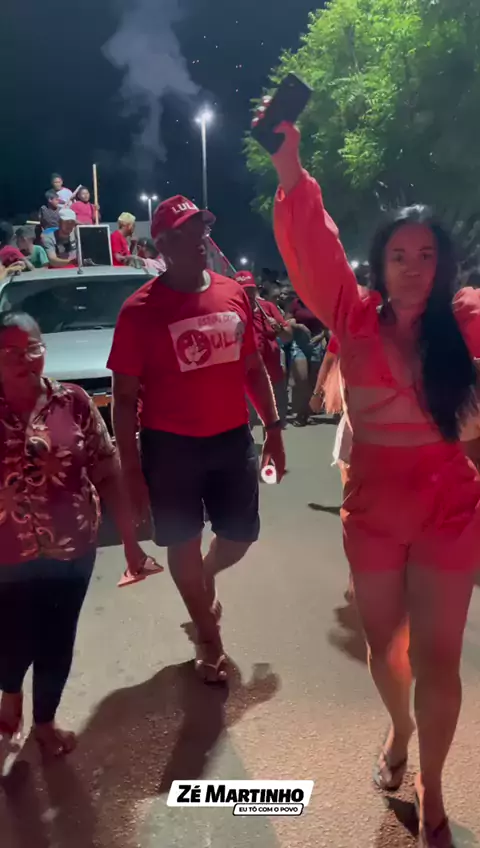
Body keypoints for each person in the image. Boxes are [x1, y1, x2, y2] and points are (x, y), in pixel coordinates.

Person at [261, 108, 480, 847]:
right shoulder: (352, 317)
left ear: (442, 264)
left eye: (426, 254)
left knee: (439, 660)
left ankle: (433, 787)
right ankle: (399, 731)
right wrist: (289, 166)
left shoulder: (466, 321)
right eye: (398, 255)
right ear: (380, 265)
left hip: (451, 508)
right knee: (387, 651)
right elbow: (314, 248)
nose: (412, 266)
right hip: (375, 509)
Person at [108, 194, 286, 684]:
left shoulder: (232, 293)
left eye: (201, 230)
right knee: (182, 542)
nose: (200, 240)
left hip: (231, 439)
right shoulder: (139, 311)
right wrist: (131, 470)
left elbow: (253, 368)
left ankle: (202, 580)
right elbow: (123, 400)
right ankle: (209, 639)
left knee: (240, 535)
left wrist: (273, 429)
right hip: (170, 448)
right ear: (162, 245)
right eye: (186, 234)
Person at [0, 311, 155, 757]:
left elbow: (107, 470)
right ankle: (10, 693)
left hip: (71, 549)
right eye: (10, 353)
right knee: (11, 637)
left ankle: (45, 723)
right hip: (5, 555)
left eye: (32, 348)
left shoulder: (74, 401)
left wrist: (131, 543)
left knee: (56, 636)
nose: (24, 360)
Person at [235, 269, 292, 426]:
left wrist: (279, 328)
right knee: (248, 422)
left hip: (272, 372)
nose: (247, 294)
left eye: (250, 289)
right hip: (247, 376)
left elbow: (287, 336)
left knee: (276, 421)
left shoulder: (268, 307)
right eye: (243, 290)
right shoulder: (233, 311)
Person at [286, 294, 327, 425]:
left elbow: (327, 325)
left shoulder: (319, 302)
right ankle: (300, 412)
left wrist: (321, 336)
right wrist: (299, 326)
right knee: (301, 379)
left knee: (312, 381)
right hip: (299, 343)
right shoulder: (296, 303)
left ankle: (308, 413)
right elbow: (286, 321)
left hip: (315, 343)